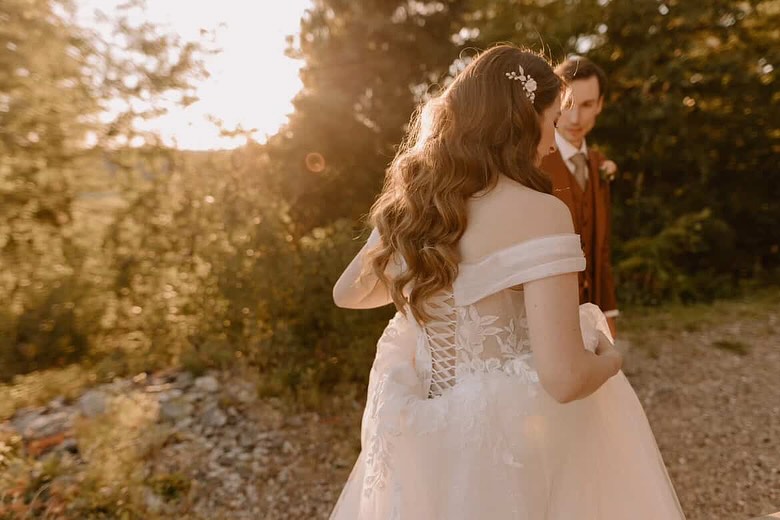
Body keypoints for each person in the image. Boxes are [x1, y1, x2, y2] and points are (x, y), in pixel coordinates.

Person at [329, 44, 685, 519]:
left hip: (426, 441)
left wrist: (402, 210)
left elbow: (348, 294)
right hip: (510, 444)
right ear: (522, 121)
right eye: (552, 120)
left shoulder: (420, 206)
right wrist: (610, 356)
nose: (551, 140)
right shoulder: (542, 213)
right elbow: (563, 379)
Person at [541, 56, 620, 337]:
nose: (575, 118)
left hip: (591, 316)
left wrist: (608, 313)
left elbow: (601, 248)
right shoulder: (533, 164)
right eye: (569, 105)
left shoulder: (599, 165)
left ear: (599, 105)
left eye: (587, 105)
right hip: (545, 318)